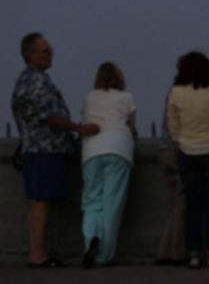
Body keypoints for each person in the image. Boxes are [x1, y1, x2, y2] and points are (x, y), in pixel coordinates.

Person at [11, 32, 99, 268]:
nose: (51, 55)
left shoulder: (23, 79)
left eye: (51, 50)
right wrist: (79, 129)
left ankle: (37, 252)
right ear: (30, 55)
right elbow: (51, 117)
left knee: (37, 202)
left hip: (33, 149)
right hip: (45, 150)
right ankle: (38, 254)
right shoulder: (38, 81)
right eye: (45, 51)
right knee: (41, 202)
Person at [167, 51, 209, 268]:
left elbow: (173, 127)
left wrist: (182, 142)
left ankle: (194, 255)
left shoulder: (176, 93)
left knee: (192, 206)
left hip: (188, 152)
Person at [80, 62, 138, 268]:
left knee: (92, 200)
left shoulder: (88, 98)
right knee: (112, 204)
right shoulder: (127, 98)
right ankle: (104, 256)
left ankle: (90, 240)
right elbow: (132, 129)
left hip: (92, 151)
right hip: (118, 149)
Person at [154, 97, 187, 266]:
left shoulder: (173, 91)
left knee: (179, 202)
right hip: (177, 152)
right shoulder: (187, 92)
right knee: (182, 202)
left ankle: (164, 252)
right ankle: (176, 253)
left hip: (164, 151)